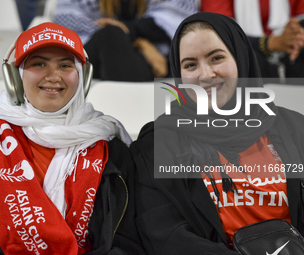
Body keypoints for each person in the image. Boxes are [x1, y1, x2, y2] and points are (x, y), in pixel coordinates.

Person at [0, 22, 146, 255]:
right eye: (39, 64)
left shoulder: (111, 148)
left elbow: (126, 241)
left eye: (65, 65)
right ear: (14, 77)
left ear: (83, 77)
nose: (53, 76)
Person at [130, 12, 304, 254]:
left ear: (241, 58)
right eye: (190, 65)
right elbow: (165, 236)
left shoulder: (295, 128)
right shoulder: (158, 144)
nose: (206, 75)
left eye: (216, 58)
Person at [55, 0, 198, 81]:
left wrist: (129, 31)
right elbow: (71, 31)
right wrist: (141, 43)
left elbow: (179, 21)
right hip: (91, 59)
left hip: (154, 60)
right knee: (111, 36)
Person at [201, 0, 304, 83]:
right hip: (246, 49)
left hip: (289, 51)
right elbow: (219, 33)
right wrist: (268, 43)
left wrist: (297, 35)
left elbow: (300, 19)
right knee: (248, 60)